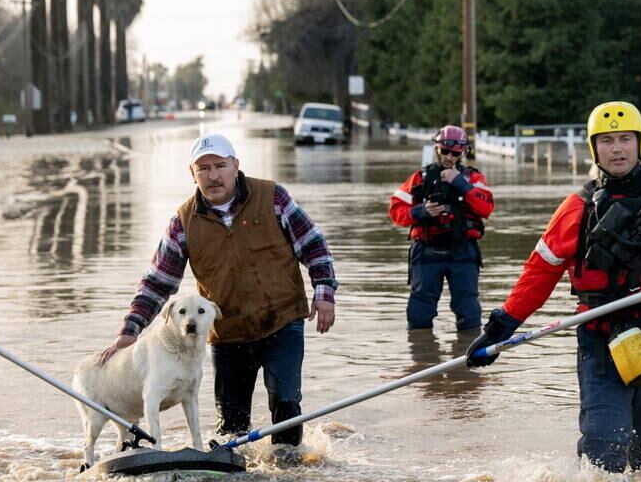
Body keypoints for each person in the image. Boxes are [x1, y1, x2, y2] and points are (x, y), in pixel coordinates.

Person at [467, 101, 641, 472]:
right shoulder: (575, 209)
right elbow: (538, 274)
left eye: (625, 139)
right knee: (603, 449)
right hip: (603, 340)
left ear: (639, 143)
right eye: (608, 140)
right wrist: (498, 330)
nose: (617, 148)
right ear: (594, 148)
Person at [99, 132, 337, 447]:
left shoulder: (273, 197)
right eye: (204, 168)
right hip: (228, 333)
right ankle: (231, 478)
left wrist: (324, 293)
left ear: (235, 166)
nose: (213, 175)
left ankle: (287, 471)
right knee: (231, 424)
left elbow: (313, 244)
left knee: (286, 400)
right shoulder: (182, 222)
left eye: (220, 166)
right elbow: (158, 282)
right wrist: (130, 331)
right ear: (192, 174)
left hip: (282, 320)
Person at [389, 125, 494, 331]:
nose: (449, 157)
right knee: (419, 312)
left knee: (469, 312)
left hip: (463, 251)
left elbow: (486, 207)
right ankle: (421, 357)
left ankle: (468, 354)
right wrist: (421, 212)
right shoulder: (420, 178)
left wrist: (461, 184)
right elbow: (395, 211)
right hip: (427, 250)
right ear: (437, 150)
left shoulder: (473, 180)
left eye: (454, 153)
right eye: (444, 151)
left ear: (463, 153)